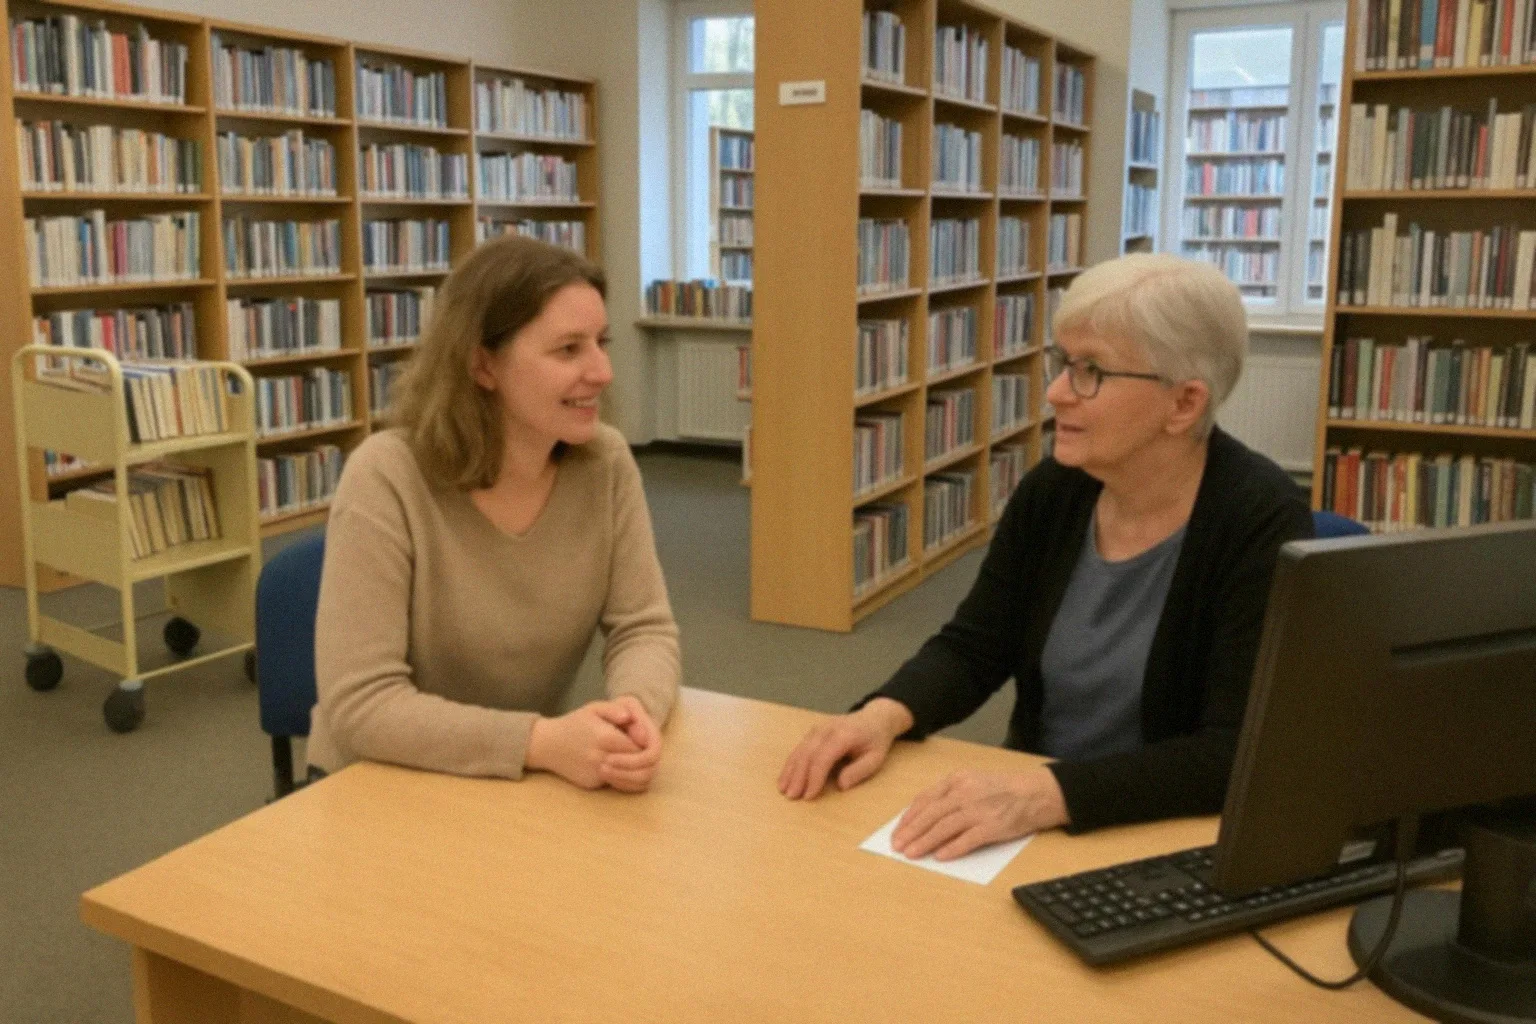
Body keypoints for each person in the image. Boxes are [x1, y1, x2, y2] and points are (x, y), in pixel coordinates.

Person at [779, 253, 1312, 858]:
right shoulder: (1057, 490)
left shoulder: (1260, 519)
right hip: (1035, 812)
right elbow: (978, 644)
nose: (1058, 392)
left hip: (1159, 830)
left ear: (1184, 404)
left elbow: (1231, 749)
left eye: (1092, 372)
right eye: (1062, 364)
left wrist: (1041, 795)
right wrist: (882, 715)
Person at [309, 234, 680, 793]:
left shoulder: (605, 463)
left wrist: (633, 709)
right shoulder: (386, 476)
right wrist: (540, 742)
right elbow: (362, 705)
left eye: (601, 342)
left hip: (517, 780)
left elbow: (644, 627)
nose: (602, 371)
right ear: (483, 365)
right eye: (568, 349)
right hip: (378, 783)